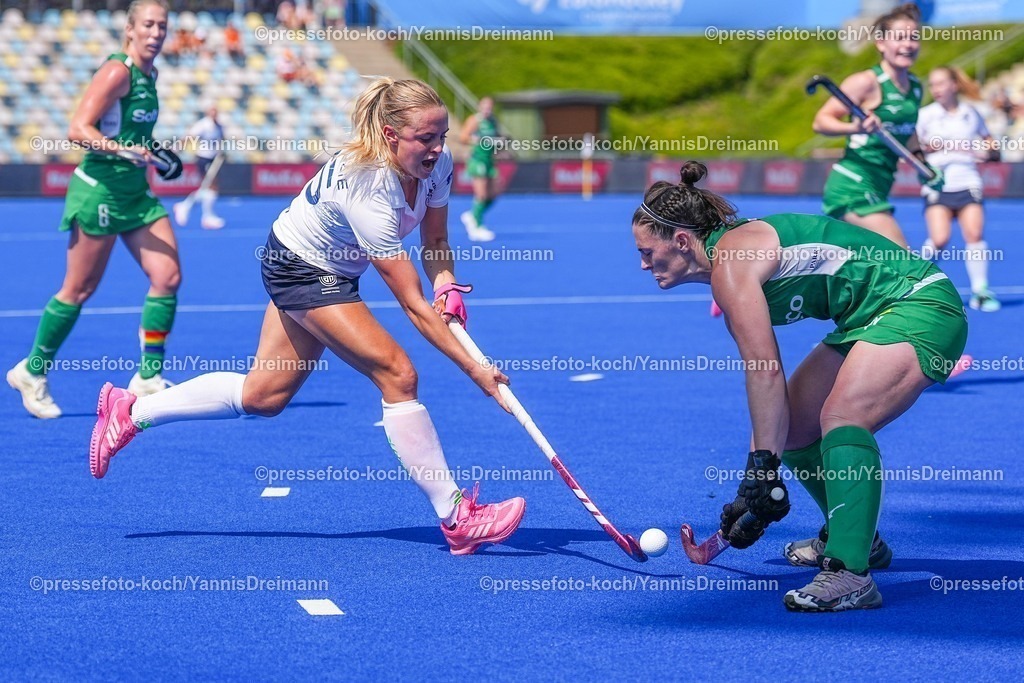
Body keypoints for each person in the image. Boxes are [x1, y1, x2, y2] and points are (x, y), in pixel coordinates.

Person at [88, 78, 526, 556]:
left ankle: (131, 411)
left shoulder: (435, 164)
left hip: (325, 266)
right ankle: (457, 518)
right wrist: (475, 369)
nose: (438, 148)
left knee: (264, 396)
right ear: (390, 134)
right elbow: (411, 305)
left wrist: (447, 285)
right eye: (426, 138)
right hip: (300, 267)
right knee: (398, 374)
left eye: (442, 136)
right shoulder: (369, 187)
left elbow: (436, 241)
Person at [631, 161, 967, 611]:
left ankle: (850, 572)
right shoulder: (728, 264)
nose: (642, 264)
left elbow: (766, 371)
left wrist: (761, 471)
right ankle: (857, 537)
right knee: (793, 430)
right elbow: (766, 388)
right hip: (868, 318)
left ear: (681, 241)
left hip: (920, 304)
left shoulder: (732, 266)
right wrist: (754, 484)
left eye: (647, 251)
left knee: (844, 417)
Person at [7, 0, 180, 419]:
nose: (156, 33)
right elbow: (78, 128)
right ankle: (32, 370)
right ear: (130, 29)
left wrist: (157, 153)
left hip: (135, 194)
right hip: (100, 192)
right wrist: (124, 150)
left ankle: (148, 377)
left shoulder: (151, 74)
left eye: (162, 26)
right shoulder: (117, 71)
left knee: (168, 276)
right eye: (148, 25)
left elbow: (131, 132)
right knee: (79, 290)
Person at [813, 3, 941, 248]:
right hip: (853, 185)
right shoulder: (866, 82)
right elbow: (821, 122)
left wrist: (922, 164)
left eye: (914, 38)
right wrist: (856, 128)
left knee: (865, 263)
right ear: (881, 43)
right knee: (900, 256)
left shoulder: (915, 87)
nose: (908, 45)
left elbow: (908, 130)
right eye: (899, 38)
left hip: (881, 185)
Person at [917, 66, 1001, 312]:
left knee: (974, 234)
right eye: (932, 84)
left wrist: (986, 152)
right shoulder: (925, 115)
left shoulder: (971, 113)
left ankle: (980, 291)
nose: (936, 89)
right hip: (938, 183)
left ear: (954, 85)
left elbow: (991, 146)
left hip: (968, 181)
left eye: (941, 83)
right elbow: (911, 150)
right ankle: (914, 283)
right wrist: (926, 150)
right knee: (940, 239)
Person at [174, 107, 226, 230]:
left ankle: (186, 206)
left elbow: (221, 139)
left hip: (214, 158)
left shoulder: (219, 125)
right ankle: (206, 216)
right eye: (212, 111)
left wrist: (221, 150)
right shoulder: (203, 124)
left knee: (207, 187)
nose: (214, 114)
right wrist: (177, 148)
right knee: (211, 187)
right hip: (204, 158)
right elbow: (190, 136)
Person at [458, 97, 501, 242]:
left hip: (489, 161)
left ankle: (472, 215)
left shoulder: (493, 121)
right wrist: (474, 140)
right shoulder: (475, 120)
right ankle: (477, 226)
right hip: (477, 160)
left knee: (494, 194)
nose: (487, 110)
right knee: (481, 194)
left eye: (489, 107)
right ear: (479, 107)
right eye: (484, 107)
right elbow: (463, 137)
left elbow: (495, 139)